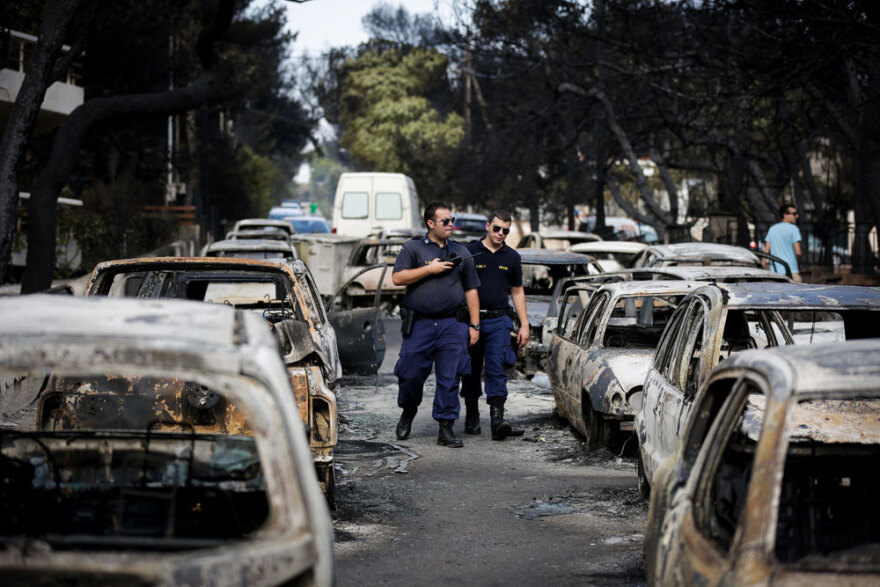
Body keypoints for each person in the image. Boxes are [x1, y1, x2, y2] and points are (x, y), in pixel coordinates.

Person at [392, 202, 481, 448]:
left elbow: (471, 290)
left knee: (450, 376)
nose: (450, 224)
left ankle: (446, 427)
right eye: (445, 221)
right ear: (431, 224)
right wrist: (429, 269)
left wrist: (475, 326)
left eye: (451, 220)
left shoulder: (462, 252)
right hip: (419, 323)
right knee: (410, 373)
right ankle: (408, 412)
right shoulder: (413, 248)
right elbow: (398, 277)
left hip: (453, 324)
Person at [460, 209, 530, 440]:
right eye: (497, 228)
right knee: (469, 369)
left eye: (506, 231)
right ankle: (471, 414)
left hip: (499, 320)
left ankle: (497, 418)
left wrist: (524, 324)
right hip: (471, 320)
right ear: (488, 226)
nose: (501, 234)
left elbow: (517, 291)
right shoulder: (469, 252)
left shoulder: (512, 257)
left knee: (496, 367)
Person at [763, 204, 803, 282]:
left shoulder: (772, 229)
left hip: (775, 272)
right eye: (794, 214)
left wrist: (763, 266)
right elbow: (798, 253)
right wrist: (798, 267)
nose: (797, 216)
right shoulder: (794, 229)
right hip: (791, 271)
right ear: (785, 215)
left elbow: (766, 252)